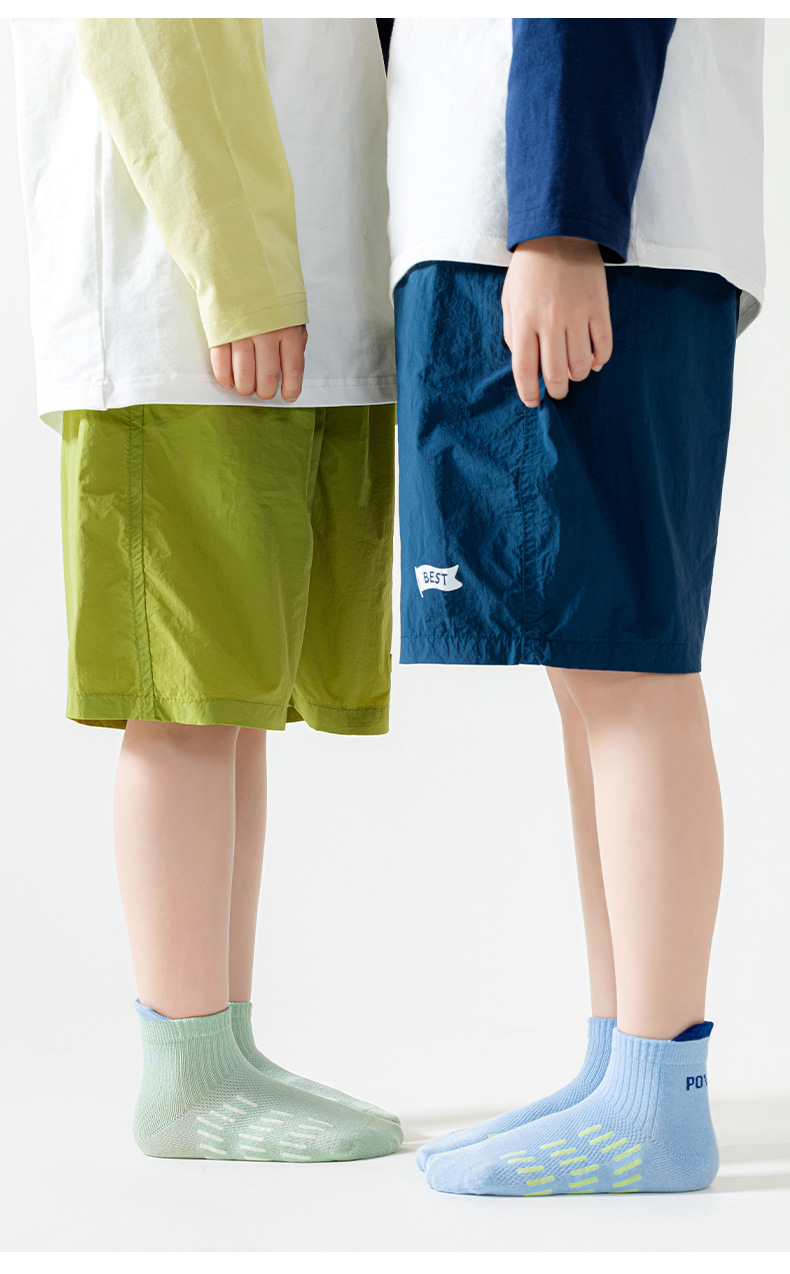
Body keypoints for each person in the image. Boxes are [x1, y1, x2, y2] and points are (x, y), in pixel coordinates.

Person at [12, 17, 401, 1163]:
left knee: (234, 701)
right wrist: (235, 263)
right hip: (186, 301)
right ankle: (183, 1074)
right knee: (183, 700)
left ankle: (220, 1044)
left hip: (294, 285)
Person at [387, 17, 765, 1195]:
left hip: (572, 215)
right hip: (534, 204)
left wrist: (559, 218)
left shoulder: (563, 215)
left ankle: (657, 1095)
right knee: (587, 661)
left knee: (626, 663)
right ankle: (620, 1061)